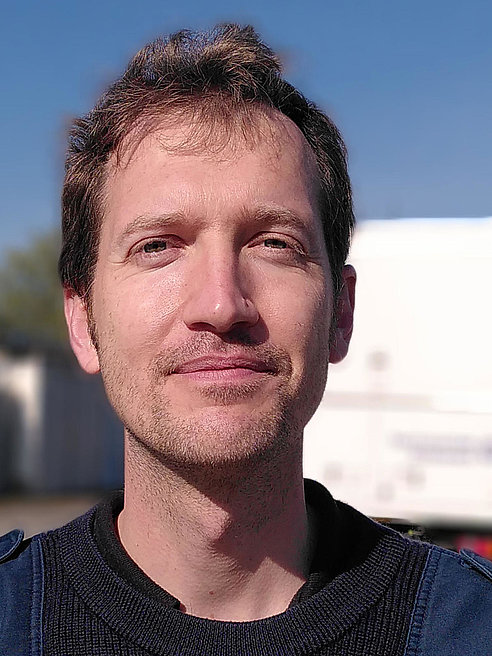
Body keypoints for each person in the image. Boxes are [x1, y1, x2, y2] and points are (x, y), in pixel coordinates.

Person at [1, 24, 491, 656]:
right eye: (158, 246)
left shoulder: (469, 627)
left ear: (341, 312)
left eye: (274, 244)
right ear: (81, 319)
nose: (221, 304)